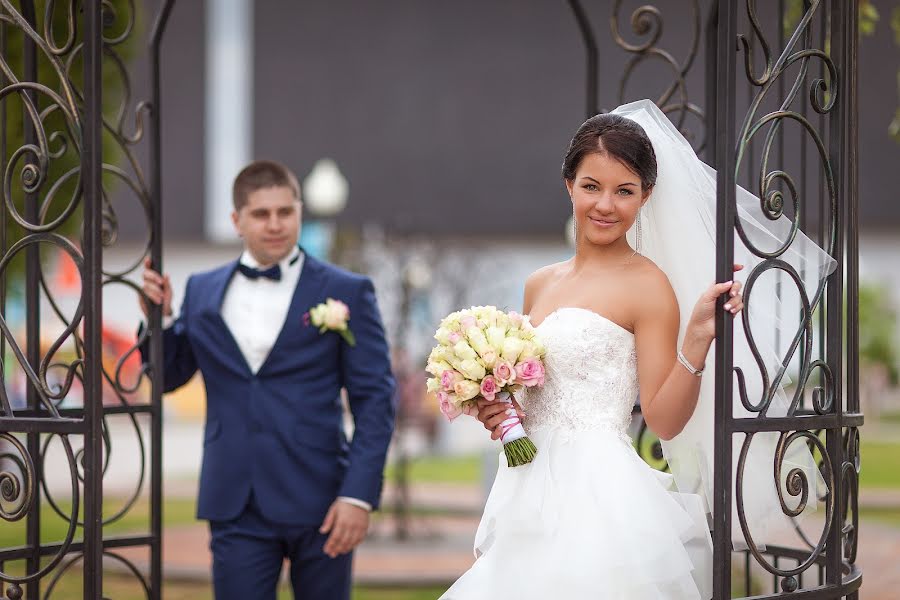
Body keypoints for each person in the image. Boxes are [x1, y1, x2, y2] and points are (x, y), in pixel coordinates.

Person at [441, 103, 744, 599]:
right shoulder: (539, 284)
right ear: (568, 185)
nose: (605, 205)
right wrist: (497, 408)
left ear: (645, 196)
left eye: (624, 191)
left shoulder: (648, 286)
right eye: (591, 186)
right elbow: (536, 388)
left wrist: (697, 340)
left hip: (598, 494)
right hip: (528, 486)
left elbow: (665, 421)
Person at [139, 160, 396, 600]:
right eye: (261, 214)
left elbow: (375, 401)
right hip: (235, 502)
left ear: (299, 212)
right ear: (236, 220)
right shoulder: (201, 288)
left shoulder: (347, 291)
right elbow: (168, 377)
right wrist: (156, 323)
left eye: (286, 212)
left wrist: (358, 496)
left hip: (324, 500)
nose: (275, 224)